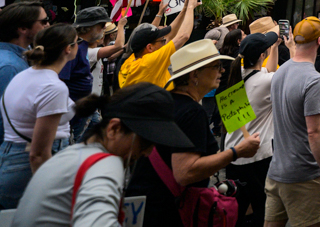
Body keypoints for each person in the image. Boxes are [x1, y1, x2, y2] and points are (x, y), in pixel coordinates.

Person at [11, 83, 193, 227]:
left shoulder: (72, 155)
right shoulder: (105, 164)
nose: (148, 151)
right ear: (114, 129)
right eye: (145, 141)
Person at [125, 39, 261, 226]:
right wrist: (236, 152)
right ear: (194, 75)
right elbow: (185, 172)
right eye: (216, 66)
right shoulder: (192, 113)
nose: (221, 71)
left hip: (145, 205)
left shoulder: (167, 103)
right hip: (168, 211)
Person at [262, 17, 320, 227]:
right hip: (304, 174)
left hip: (277, 171)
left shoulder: (279, 72)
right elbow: (315, 132)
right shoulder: (314, 80)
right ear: (319, 41)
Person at [0, 23, 78, 209]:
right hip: (29, 164)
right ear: (68, 49)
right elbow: (38, 153)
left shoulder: (25, 74)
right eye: (77, 42)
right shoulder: (53, 86)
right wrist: (51, 191)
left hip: (12, 156)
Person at [221, 31, 280, 227]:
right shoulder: (266, 81)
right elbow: (275, 75)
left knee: (236, 212)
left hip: (233, 155)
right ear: (262, 55)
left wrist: (275, 47)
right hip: (258, 158)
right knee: (262, 211)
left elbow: (268, 72)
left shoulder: (237, 75)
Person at [59, 7, 125, 142]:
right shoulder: (74, 48)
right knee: (75, 142)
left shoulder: (82, 47)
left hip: (85, 107)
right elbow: (61, 81)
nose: (103, 29)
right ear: (89, 27)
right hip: (74, 111)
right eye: (101, 26)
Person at [119, 0, 198, 88]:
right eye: (162, 41)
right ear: (150, 47)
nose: (166, 41)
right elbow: (183, 36)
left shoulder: (131, 59)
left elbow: (171, 33)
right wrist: (190, 7)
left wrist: (184, 9)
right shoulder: (150, 62)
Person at [0, 4, 49, 141]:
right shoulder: (10, 66)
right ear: (23, 28)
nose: (48, 25)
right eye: (44, 21)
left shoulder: (19, 58)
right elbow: (4, 117)